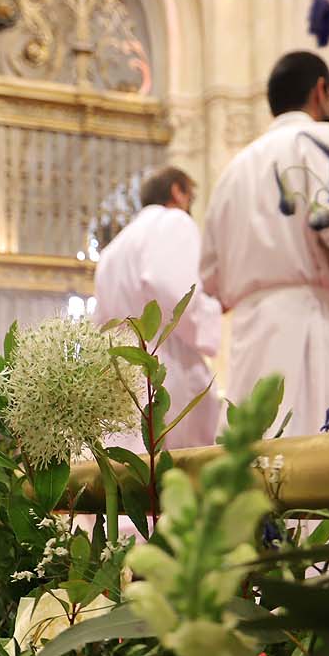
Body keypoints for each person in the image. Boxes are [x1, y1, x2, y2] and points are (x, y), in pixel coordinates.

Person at [199, 51, 329, 438]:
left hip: (247, 331)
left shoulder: (233, 171)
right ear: (321, 91)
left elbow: (210, 279)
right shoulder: (321, 142)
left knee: (251, 447)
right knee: (303, 443)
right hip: (305, 320)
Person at [92, 166, 223, 450]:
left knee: (130, 471)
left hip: (120, 375)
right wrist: (211, 312)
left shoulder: (114, 248)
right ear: (178, 191)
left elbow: (100, 321)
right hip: (163, 363)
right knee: (173, 472)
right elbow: (175, 292)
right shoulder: (173, 221)